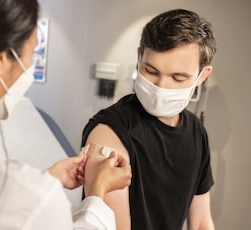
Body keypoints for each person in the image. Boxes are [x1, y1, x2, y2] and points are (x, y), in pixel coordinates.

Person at [0, 0, 131, 229]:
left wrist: (46, 178)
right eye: (33, 51)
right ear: (1, 59)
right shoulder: (33, 197)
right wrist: (97, 192)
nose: (32, 64)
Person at [81, 9, 217, 230]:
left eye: (178, 77)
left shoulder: (197, 132)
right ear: (139, 57)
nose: (160, 86)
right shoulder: (109, 132)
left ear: (202, 75)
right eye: (151, 70)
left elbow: (201, 221)